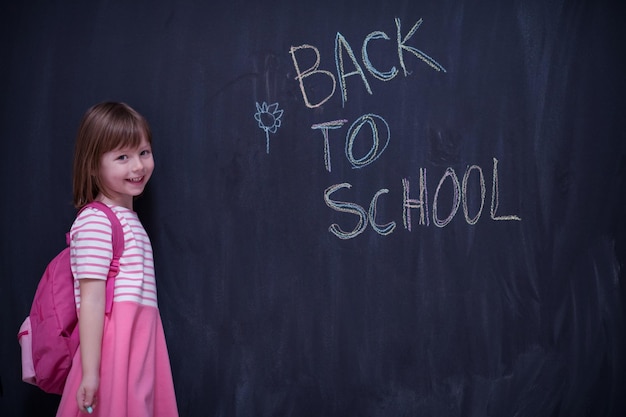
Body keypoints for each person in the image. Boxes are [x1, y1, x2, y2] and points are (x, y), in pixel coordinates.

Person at [56, 102, 178, 416]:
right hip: (115, 346)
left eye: (143, 152)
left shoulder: (127, 219)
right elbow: (92, 300)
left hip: (138, 341)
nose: (137, 167)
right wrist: (92, 372)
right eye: (122, 157)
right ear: (93, 166)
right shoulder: (96, 221)